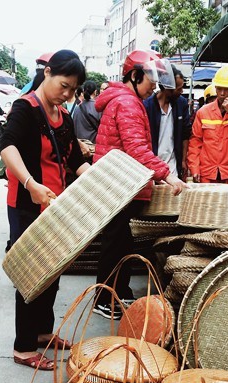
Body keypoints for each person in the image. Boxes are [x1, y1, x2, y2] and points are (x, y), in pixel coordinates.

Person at [0, 50, 89, 370]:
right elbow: (7, 147)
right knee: (31, 275)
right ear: (48, 73)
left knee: (51, 272)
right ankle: (23, 346)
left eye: (72, 90)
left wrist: (97, 178)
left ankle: (41, 332)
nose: (66, 94)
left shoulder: (63, 116)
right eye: (63, 85)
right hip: (27, 204)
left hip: (55, 206)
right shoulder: (25, 108)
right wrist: (30, 184)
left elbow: (75, 162)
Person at [93, 49, 186, 319]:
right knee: (114, 242)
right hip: (118, 185)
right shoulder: (127, 103)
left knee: (121, 240)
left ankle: (118, 290)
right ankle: (104, 297)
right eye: (150, 81)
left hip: (119, 183)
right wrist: (165, 174)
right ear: (134, 76)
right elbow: (136, 147)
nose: (153, 88)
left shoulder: (127, 100)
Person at [188, 65, 228, 184]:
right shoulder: (203, 112)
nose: (222, 93)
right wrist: (194, 167)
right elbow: (195, 142)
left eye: (226, 89)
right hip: (207, 172)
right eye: (219, 88)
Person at [143, 64, 191, 179]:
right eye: (178, 89)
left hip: (173, 165)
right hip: (151, 165)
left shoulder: (182, 104)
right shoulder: (147, 106)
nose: (181, 91)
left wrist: (183, 160)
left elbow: (185, 134)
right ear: (168, 87)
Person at [72, 79, 100, 160]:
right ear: (95, 92)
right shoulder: (98, 108)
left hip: (79, 149)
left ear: (83, 91)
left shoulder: (77, 108)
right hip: (92, 150)